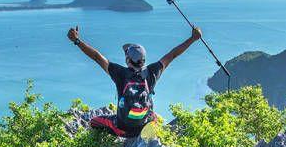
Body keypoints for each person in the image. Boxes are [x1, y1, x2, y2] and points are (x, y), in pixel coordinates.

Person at [67, 24, 202, 137]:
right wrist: (193, 39)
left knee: (93, 122)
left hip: (122, 128)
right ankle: (151, 133)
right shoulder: (153, 72)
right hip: (144, 128)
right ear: (143, 60)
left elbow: (96, 56)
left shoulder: (119, 72)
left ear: (127, 60)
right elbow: (173, 54)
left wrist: (77, 40)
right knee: (154, 116)